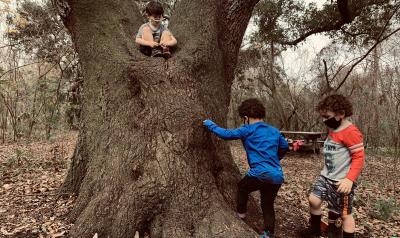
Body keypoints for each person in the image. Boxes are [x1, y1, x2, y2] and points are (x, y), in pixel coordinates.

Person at [203, 98, 289, 238]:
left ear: (246, 118)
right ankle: (268, 233)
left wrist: (210, 124)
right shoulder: (274, 131)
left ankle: (241, 215)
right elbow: (284, 147)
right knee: (267, 204)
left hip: (260, 173)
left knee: (242, 187)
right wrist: (275, 159)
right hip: (277, 176)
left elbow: (226, 134)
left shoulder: (247, 129)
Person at [299, 94, 365, 238]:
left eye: (326, 116)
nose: (324, 120)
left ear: (341, 114)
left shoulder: (351, 132)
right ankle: (315, 231)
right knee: (313, 200)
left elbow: (359, 157)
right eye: (322, 116)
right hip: (326, 176)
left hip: (342, 181)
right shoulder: (332, 129)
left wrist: (349, 179)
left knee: (345, 214)